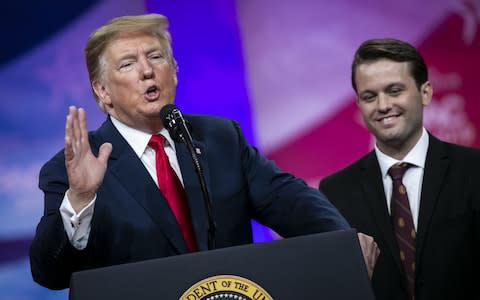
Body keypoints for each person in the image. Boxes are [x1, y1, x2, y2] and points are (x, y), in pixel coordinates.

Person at [29, 13, 378, 290]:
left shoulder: (219, 137)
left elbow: (290, 199)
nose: (147, 70)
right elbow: (50, 274)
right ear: (102, 91)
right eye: (128, 64)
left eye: (155, 57)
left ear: (175, 72)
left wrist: (344, 241)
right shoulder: (73, 168)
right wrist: (80, 199)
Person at [319, 38, 480, 300]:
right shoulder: (335, 191)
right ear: (359, 105)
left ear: (425, 92)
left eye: (394, 91)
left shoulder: (474, 171)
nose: (383, 106)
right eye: (369, 96)